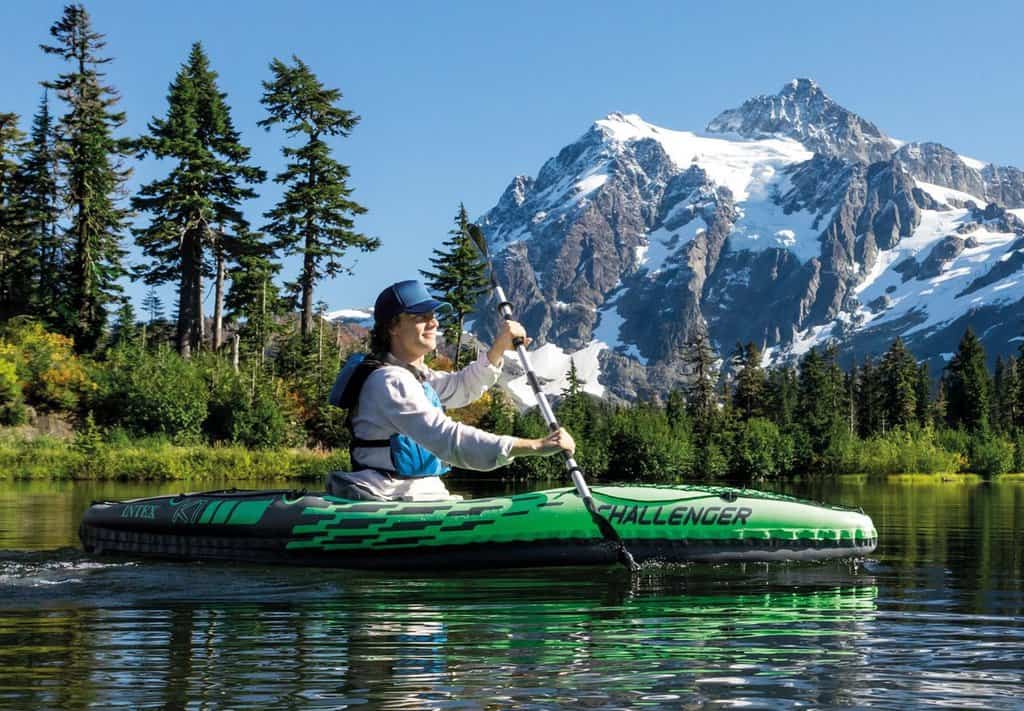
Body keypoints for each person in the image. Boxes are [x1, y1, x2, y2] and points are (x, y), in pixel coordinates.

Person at [326, 279, 575, 501]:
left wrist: (498, 350)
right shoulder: (390, 381)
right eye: (419, 316)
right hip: (386, 492)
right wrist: (533, 446)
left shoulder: (415, 378)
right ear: (392, 327)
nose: (433, 322)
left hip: (415, 493)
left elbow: (461, 387)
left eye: (432, 315)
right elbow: (446, 438)